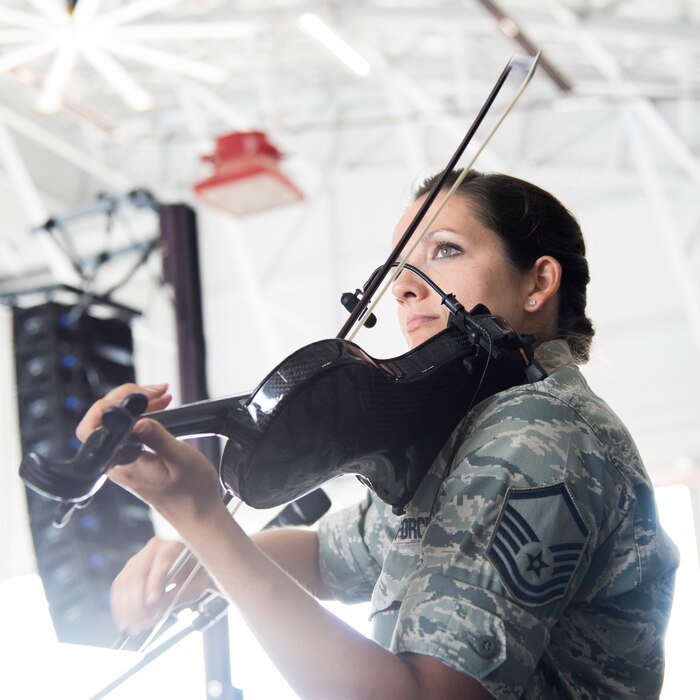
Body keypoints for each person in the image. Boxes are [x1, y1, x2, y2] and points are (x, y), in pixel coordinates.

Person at [78, 169, 679, 699]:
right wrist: (196, 560)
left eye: (444, 250)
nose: (404, 287)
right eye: (399, 267)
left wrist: (205, 522)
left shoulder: (535, 431)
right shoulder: (462, 430)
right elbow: (326, 556)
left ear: (537, 282)